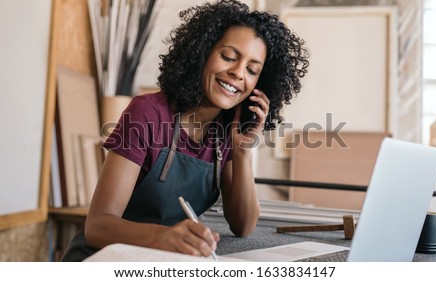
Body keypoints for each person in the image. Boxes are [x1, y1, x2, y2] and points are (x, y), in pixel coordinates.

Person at [61, 0, 308, 261]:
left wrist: (244, 151)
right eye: (228, 57)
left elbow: (243, 225)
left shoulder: (227, 130)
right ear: (201, 53)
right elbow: (97, 226)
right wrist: (161, 237)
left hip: (161, 260)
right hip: (102, 260)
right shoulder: (146, 113)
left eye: (252, 70)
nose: (238, 73)